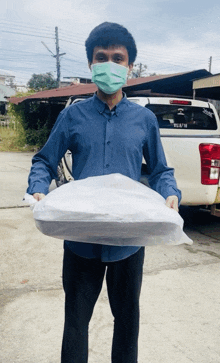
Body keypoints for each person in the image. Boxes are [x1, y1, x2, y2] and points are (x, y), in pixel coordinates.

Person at [27, 22, 181, 363]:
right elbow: (44, 161)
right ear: (91, 65)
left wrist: (170, 193)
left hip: (128, 241)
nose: (109, 64)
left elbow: (160, 171)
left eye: (118, 58)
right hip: (81, 238)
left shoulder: (143, 119)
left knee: (127, 323)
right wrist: (38, 188)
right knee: (76, 324)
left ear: (129, 67)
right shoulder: (73, 116)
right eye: (102, 57)